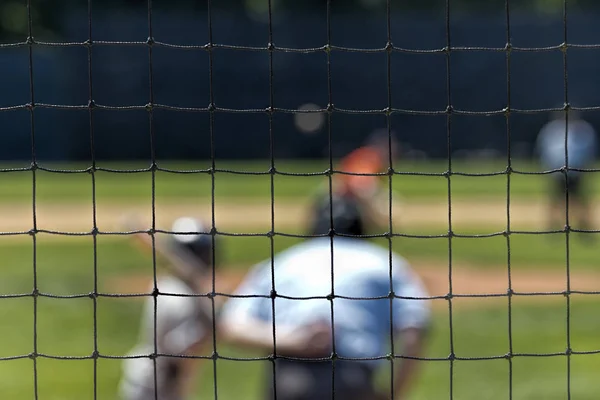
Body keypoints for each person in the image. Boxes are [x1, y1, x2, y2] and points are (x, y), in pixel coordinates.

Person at [218, 194, 431, 400]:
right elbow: (414, 332)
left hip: (289, 381)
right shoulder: (388, 263)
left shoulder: (281, 263)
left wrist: (294, 340)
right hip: (352, 381)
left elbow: (231, 325)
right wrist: (393, 393)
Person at [118, 217, 218, 400]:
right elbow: (182, 353)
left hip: (146, 379)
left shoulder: (167, 286)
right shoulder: (182, 301)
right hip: (159, 387)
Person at [535, 111, 597, 233]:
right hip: (557, 171)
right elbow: (544, 148)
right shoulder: (552, 129)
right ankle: (553, 226)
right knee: (555, 199)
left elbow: (590, 150)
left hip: (577, 171)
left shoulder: (584, 129)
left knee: (580, 200)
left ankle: (583, 226)